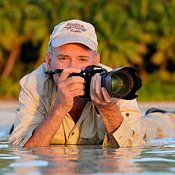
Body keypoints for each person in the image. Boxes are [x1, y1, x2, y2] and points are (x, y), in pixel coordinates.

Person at [8, 19, 175, 148]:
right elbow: (23, 152)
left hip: (149, 127)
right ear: (49, 60)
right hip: (43, 120)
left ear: (96, 61)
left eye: (82, 59)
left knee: (154, 128)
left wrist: (108, 109)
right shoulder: (34, 83)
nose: (73, 68)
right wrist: (59, 108)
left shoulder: (117, 81)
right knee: (19, 131)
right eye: (63, 58)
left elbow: (131, 153)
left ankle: (163, 115)